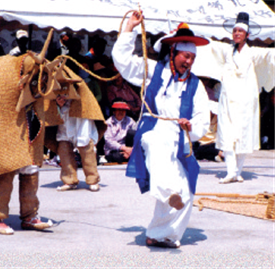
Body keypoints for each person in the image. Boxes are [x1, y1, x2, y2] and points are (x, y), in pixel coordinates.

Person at [112, 11, 210, 248]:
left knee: (186, 192)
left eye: (192, 58)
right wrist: (129, 29)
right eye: (185, 56)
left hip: (180, 139)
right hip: (154, 131)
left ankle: (159, 235)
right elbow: (122, 60)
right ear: (174, 52)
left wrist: (191, 127)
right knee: (158, 145)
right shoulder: (152, 70)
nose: (188, 62)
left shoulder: (196, 85)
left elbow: (202, 119)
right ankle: (167, 192)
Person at [206, 12, 275, 184]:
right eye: (235, 31)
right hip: (228, 101)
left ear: (247, 35)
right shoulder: (226, 51)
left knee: (243, 135)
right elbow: (209, 46)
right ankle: (230, 171)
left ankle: (237, 171)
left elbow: (271, 55)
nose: (236, 33)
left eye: (240, 31)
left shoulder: (253, 54)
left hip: (245, 102)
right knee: (228, 134)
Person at [54, 94, 101, 192]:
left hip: (81, 117)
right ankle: (69, 180)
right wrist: (58, 104)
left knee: (86, 150)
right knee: (64, 150)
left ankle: (93, 180)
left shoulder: (82, 86)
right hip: (64, 119)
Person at [103, 99, 137, 163]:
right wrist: (123, 148)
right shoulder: (108, 123)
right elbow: (108, 141)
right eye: (118, 110)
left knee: (132, 132)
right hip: (113, 149)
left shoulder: (130, 121)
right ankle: (128, 155)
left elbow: (137, 134)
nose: (121, 112)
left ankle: (130, 154)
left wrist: (131, 149)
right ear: (114, 111)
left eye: (123, 110)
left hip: (128, 148)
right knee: (118, 157)